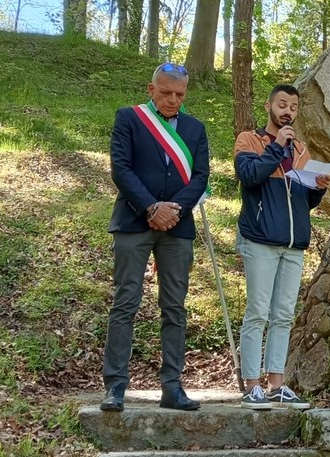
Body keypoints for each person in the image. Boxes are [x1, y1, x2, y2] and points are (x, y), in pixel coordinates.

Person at [100, 62, 210, 412]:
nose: (173, 100)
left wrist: (174, 209)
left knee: (175, 307)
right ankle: (115, 386)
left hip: (178, 226)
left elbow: (201, 176)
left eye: (180, 94)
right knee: (125, 302)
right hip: (134, 222)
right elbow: (121, 169)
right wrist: (151, 208)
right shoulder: (129, 119)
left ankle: (172, 387)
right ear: (151, 90)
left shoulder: (195, 129)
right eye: (165, 93)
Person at [234, 84, 330, 410]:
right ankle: (251, 386)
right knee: (258, 312)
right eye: (282, 104)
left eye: (293, 106)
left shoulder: (301, 150)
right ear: (268, 106)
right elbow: (249, 176)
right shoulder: (250, 140)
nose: (288, 111)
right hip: (260, 239)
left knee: (284, 315)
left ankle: (276, 384)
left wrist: (318, 189)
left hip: (293, 245)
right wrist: (276, 147)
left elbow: (303, 201)